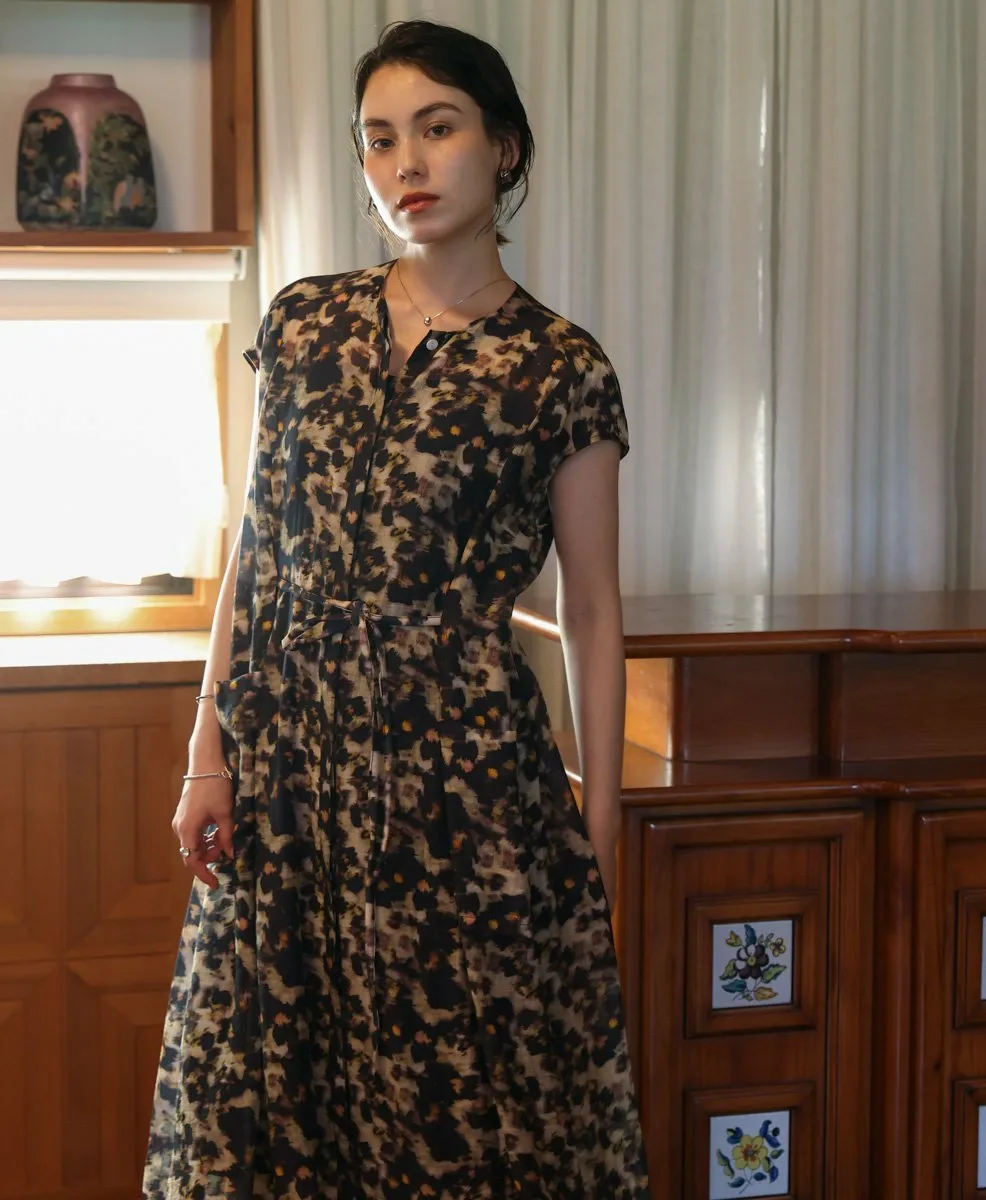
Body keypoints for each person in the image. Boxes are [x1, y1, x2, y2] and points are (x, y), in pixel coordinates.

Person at [144, 18, 649, 1200]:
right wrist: (206, 748)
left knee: (453, 1104)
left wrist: (601, 824)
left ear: (504, 147)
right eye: (378, 140)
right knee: (266, 1088)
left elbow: (591, 608)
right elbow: (256, 550)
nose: (406, 164)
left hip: (462, 788)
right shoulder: (303, 323)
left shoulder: (559, 368)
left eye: (437, 128)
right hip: (288, 768)